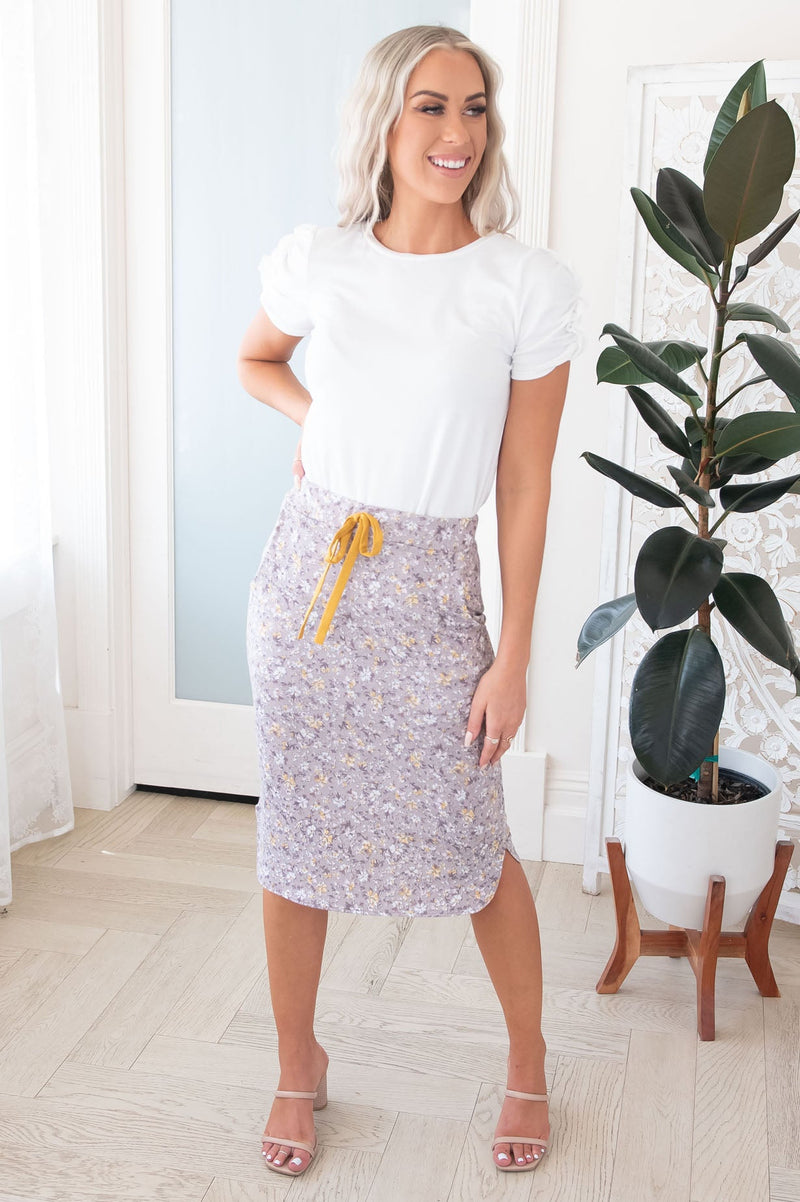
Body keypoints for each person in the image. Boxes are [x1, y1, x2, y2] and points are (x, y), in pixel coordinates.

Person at [236, 23, 584, 1182]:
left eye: (473, 108)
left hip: (435, 591)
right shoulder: (320, 261)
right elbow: (257, 360)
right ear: (383, 120)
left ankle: (526, 1058)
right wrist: (316, 425)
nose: (456, 133)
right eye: (430, 106)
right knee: (295, 837)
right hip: (309, 587)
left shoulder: (522, 285)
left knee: (475, 843)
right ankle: (297, 1061)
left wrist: (511, 655)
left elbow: (522, 481)